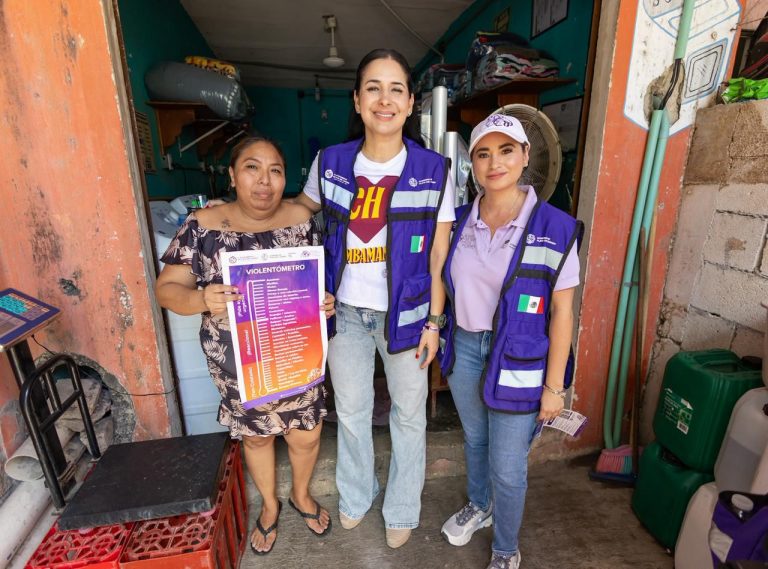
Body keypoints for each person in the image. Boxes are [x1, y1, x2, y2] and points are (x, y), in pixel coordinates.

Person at [294, 48, 455, 548]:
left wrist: (434, 322)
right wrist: (236, 211)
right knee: (351, 410)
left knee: (409, 414)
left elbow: (439, 257)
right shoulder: (331, 163)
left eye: (395, 90)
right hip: (344, 312)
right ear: (357, 100)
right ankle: (357, 495)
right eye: (373, 88)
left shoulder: (435, 170)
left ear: (410, 104)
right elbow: (299, 212)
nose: (384, 100)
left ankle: (402, 507)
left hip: (408, 316)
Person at [155, 136, 335, 556]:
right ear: (233, 176)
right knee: (257, 438)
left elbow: (312, 280)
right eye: (252, 168)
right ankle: (270, 505)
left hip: (295, 350)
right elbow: (167, 290)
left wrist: (322, 300)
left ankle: (301, 495)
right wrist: (202, 298)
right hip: (241, 363)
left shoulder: (301, 219)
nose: (265, 181)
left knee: (306, 433)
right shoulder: (203, 226)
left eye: (276, 170)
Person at [438, 113, 582, 569]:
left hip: (520, 358)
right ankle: (479, 506)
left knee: (508, 464)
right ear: (474, 164)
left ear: (525, 156)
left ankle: (505, 548)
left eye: (505, 151)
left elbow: (562, 313)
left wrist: (554, 388)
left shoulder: (555, 227)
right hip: (466, 348)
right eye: (483, 154)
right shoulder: (460, 220)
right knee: (475, 440)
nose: (494, 163)